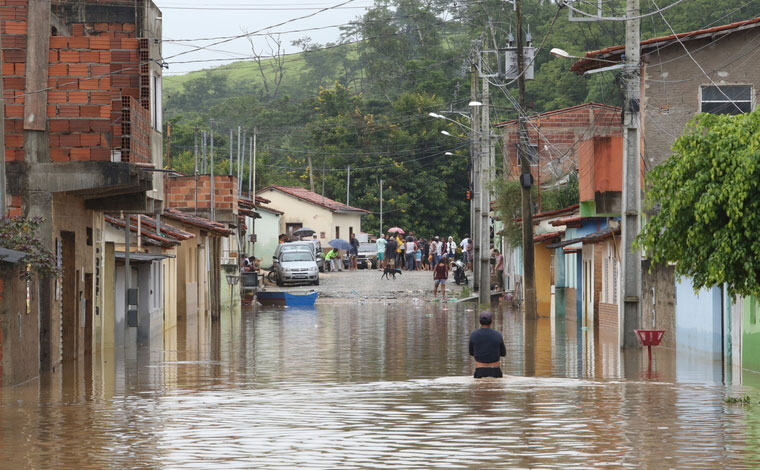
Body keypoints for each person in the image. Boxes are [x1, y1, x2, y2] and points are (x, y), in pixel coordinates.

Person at [468, 311, 506, 379]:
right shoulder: (498, 335)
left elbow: (471, 353)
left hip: (480, 370)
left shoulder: (473, 335)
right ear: (491, 322)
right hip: (495, 370)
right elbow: (503, 353)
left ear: (480, 322)